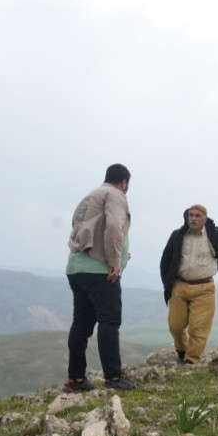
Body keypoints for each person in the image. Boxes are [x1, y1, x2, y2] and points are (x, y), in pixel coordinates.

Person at [64, 164, 136, 392]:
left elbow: (89, 230)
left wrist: (122, 254)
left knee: (81, 325)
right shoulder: (115, 195)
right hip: (99, 272)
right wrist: (115, 260)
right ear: (124, 182)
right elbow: (114, 225)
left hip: (77, 269)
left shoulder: (91, 196)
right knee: (109, 321)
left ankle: (75, 379)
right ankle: (113, 377)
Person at [160, 204, 218, 364]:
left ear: (205, 219)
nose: (193, 219)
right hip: (179, 286)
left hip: (204, 288)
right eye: (191, 215)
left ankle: (191, 359)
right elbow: (165, 259)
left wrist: (215, 266)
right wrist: (167, 282)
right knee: (175, 325)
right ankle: (181, 349)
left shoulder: (213, 236)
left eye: (197, 216)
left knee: (198, 328)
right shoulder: (177, 235)